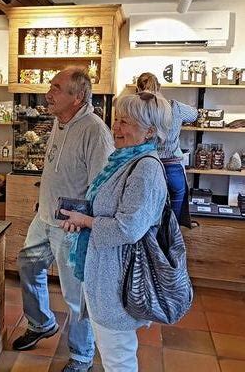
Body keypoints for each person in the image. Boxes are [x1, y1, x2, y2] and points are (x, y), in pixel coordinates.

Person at [59, 91, 172, 371]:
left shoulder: (145, 169)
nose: (116, 128)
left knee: (118, 357)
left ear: (150, 132)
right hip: (104, 273)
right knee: (111, 351)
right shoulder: (123, 161)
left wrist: (86, 222)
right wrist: (84, 214)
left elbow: (129, 227)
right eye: (117, 120)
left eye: (126, 123)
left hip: (117, 279)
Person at [12, 67, 114, 372]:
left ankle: (81, 356)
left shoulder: (95, 131)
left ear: (78, 96)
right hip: (44, 220)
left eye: (57, 87)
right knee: (28, 266)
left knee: (75, 296)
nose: (48, 93)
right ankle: (42, 323)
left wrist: (84, 218)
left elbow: (102, 185)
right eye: (50, 86)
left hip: (72, 229)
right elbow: (58, 171)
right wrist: (44, 200)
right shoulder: (59, 122)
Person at [136, 72, 197, 226]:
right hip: (173, 169)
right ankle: (170, 243)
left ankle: (151, 245)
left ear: (137, 89)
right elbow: (194, 115)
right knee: (172, 223)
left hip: (149, 166)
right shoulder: (175, 107)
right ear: (160, 87)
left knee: (149, 213)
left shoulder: (138, 110)